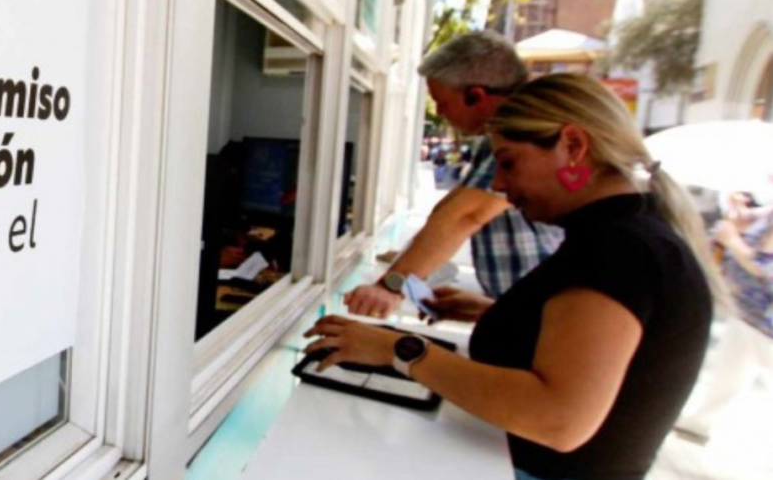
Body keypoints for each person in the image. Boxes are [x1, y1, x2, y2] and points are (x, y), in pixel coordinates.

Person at [305, 74, 728, 480]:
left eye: (508, 163)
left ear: (573, 146)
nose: (500, 184)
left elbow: (558, 419)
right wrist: (500, 314)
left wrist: (399, 349)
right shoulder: (629, 234)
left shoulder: (615, 249)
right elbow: (597, 344)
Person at [344, 31, 562, 318]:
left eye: (442, 102)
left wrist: (391, 286)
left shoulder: (522, 131)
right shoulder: (497, 137)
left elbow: (466, 215)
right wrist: (406, 262)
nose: (439, 112)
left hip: (545, 315)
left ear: (475, 95)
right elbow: (450, 208)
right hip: (522, 312)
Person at [675, 189, 773, 441]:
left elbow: (766, 269)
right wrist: (738, 211)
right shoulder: (769, 213)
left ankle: (700, 422)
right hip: (746, 313)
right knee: (729, 372)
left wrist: (733, 242)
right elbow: (748, 219)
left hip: (767, 325)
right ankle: (700, 422)